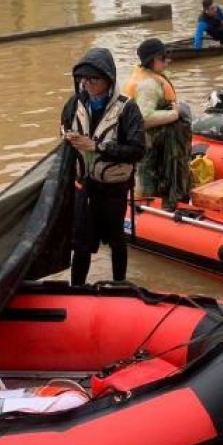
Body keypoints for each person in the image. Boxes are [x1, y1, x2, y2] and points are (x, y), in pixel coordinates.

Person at [61, 48, 146, 285]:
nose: (86, 84)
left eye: (93, 79)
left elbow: (137, 151)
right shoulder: (74, 104)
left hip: (114, 187)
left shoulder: (127, 109)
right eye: (83, 79)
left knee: (116, 238)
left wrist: (96, 147)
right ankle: (77, 287)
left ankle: (119, 284)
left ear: (109, 80)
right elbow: (63, 133)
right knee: (81, 243)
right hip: (84, 185)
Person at [123, 38, 192, 210]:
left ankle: (160, 199)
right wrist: (175, 114)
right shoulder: (148, 85)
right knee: (149, 175)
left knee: (154, 173)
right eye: (162, 58)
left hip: (155, 142)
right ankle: (148, 206)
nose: (167, 61)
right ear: (151, 60)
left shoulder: (151, 77)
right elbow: (144, 119)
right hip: (149, 144)